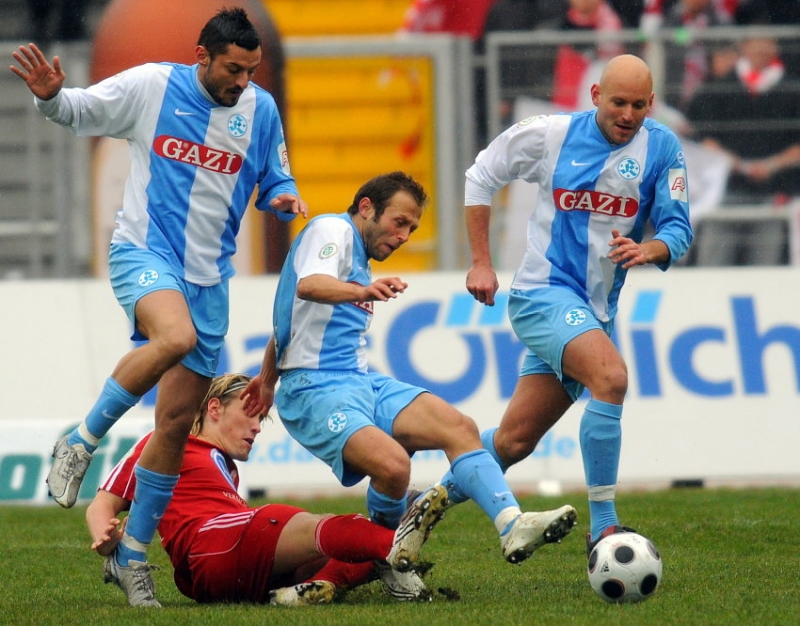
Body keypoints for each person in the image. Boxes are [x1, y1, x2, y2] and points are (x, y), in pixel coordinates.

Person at [10, 7, 308, 606]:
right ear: (202, 56)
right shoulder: (152, 85)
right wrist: (50, 98)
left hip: (209, 279)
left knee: (174, 426)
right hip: (144, 252)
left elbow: (273, 175)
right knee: (171, 338)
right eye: (232, 69)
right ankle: (81, 439)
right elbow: (78, 111)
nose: (242, 82)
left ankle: (134, 554)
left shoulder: (260, 110)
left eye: (251, 71)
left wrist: (284, 196)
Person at [242, 171, 578, 570]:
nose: (404, 236)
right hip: (313, 389)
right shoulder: (332, 229)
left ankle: (511, 524)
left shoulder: (357, 256)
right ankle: (383, 562)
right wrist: (362, 292)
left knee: (459, 427)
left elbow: (289, 321)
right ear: (366, 207)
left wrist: (265, 378)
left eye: (412, 228)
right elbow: (310, 287)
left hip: (360, 380)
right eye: (399, 222)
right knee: (394, 467)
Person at [439, 55, 692, 556]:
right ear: (595, 96)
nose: (627, 114)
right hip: (542, 294)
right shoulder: (549, 134)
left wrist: (650, 249)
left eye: (638, 105)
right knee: (612, 378)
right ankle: (605, 527)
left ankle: (418, 509)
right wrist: (482, 263)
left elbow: (678, 229)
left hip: (595, 311)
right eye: (618, 102)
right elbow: (480, 176)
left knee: (514, 441)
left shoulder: (661, 146)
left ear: (651, 104)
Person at [87, 373, 449, 606]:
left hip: (233, 570)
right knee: (289, 520)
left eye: (261, 420)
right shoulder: (168, 443)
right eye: (251, 416)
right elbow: (103, 502)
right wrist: (104, 536)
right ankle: (395, 545)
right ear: (215, 407)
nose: (257, 428)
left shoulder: (224, 466)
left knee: (350, 550)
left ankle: (313, 588)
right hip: (210, 545)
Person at [686, 36, 800, 204]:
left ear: (776, 48)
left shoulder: (793, 89)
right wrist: (743, 168)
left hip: (781, 192)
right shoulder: (716, 90)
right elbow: (705, 141)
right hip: (725, 190)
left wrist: (770, 167)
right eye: (755, 42)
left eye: (766, 42)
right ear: (744, 47)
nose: (760, 49)